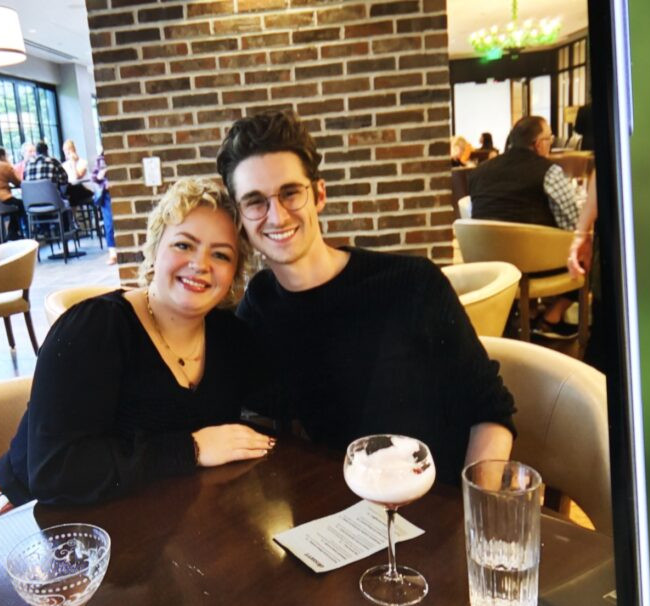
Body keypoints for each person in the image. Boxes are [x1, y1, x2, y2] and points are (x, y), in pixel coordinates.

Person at [216, 110, 515, 480]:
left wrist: (473, 508)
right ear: (240, 219)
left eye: (290, 193)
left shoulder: (412, 283)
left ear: (319, 195)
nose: (276, 216)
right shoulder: (260, 305)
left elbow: (490, 409)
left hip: (432, 497)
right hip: (334, 504)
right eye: (255, 201)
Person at [0, 178, 276, 521]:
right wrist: (192, 448)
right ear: (155, 249)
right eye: (184, 245)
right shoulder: (94, 329)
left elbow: (281, 398)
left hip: (139, 515)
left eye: (221, 254)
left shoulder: (229, 336)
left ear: (234, 273)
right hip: (24, 510)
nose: (201, 264)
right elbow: (55, 471)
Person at [466, 114, 581, 338]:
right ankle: (552, 317)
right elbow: (573, 223)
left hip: (489, 265)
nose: (550, 144)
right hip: (535, 267)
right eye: (549, 139)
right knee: (588, 246)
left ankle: (526, 314)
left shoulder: (479, 173)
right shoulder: (549, 172)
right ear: (538, 144)